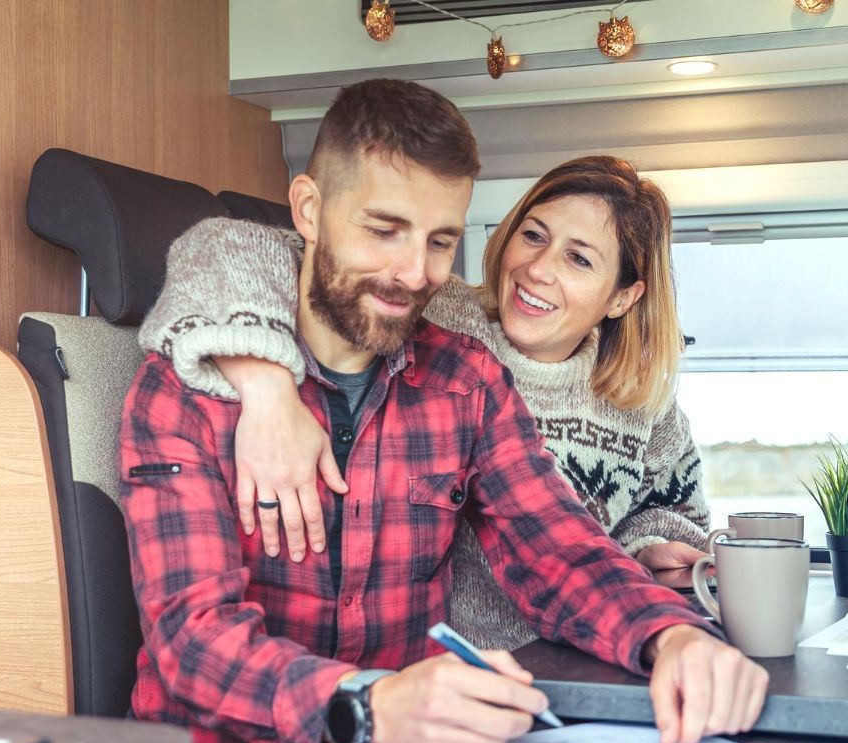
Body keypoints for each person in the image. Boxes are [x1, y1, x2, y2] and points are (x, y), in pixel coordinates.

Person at [121, 78, 766, 743]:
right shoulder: (186, 389)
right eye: (383, 231)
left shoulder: (464, 379)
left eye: (438, 242)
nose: (411, 273)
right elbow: (191, 639)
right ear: (309, 210)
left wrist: (670, 637)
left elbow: (557, 549)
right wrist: (371, 705)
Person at [143, 156, 713, 652]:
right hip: (457, 659)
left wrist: (648, 551)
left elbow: (664, 517)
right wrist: (268, 390)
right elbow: (230, 245)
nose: (538, 270)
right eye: (534, 235)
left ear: (624, 296)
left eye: (579, 259)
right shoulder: (437, 319)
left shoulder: (640, 394)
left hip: (586, 643)